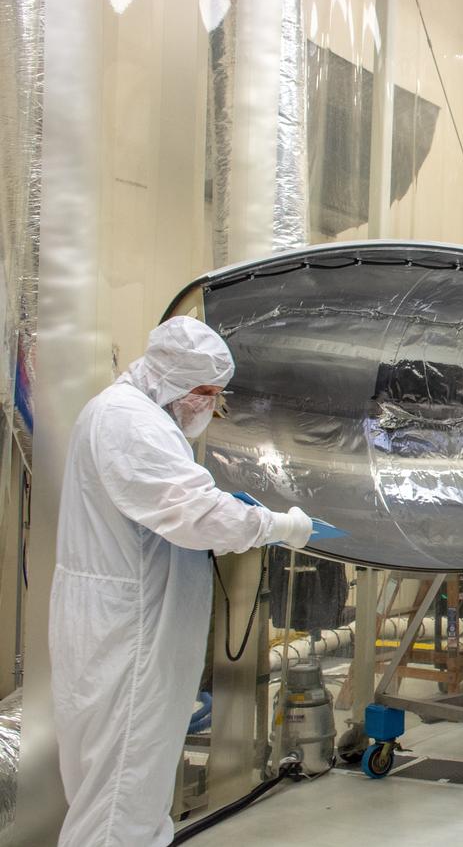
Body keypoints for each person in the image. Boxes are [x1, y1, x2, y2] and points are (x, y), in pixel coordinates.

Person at [49, 316, 314, 847]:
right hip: (130, 631)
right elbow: (192, 512)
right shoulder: (130, 422)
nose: (209, 407)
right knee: (120, 794)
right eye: (206, 394)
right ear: (174, 381)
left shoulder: (128, 414)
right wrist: (277, 525)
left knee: (126, 787)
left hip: (124, 620)